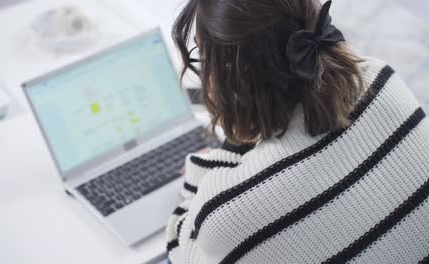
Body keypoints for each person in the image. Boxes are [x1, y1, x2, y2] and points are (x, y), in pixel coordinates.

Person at [165, 0, 429, 263]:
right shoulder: (380, 80)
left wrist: (202, 170)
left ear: (232, 80)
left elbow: (181, 246)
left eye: (205, 58)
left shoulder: (227, 214)